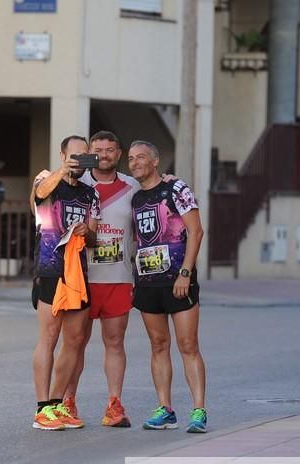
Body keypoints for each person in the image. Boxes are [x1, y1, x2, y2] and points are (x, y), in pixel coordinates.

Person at [60, 131, 140, 428]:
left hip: (118, 276)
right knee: (76, 343)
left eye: (110, 150)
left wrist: (170, 180)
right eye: (98, 150)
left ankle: (114, 405)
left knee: (115, 341)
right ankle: (67, 402)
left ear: (118, 154)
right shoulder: (77, 184)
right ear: (89, 153)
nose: (104, 155)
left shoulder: (132, 187)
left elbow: (157, 194)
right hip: (81, 276)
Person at [127, 140, 208, 433]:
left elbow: (196, 231)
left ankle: (198, 410)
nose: (135, 162)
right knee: (158, 345)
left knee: (188, 345)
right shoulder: (135, 199)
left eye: (141, 157)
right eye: (131, 158)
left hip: (179, 280)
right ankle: (165, 408)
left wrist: (185, 273)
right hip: (148, 283)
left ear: (155, 161)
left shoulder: (176, 190)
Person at [29, 135, 101, 431]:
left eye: (86, 156)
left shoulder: (90, 194)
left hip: (78, 274)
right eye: (75, 156)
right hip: (49, 270)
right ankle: (42, 407)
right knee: (49, 337)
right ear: (62, 155)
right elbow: (39, 194)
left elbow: (95, 239)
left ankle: (58, 403)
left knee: (74, 340)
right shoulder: (47, 179)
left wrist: (87, 230)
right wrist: (63, 170)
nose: (81, 161)